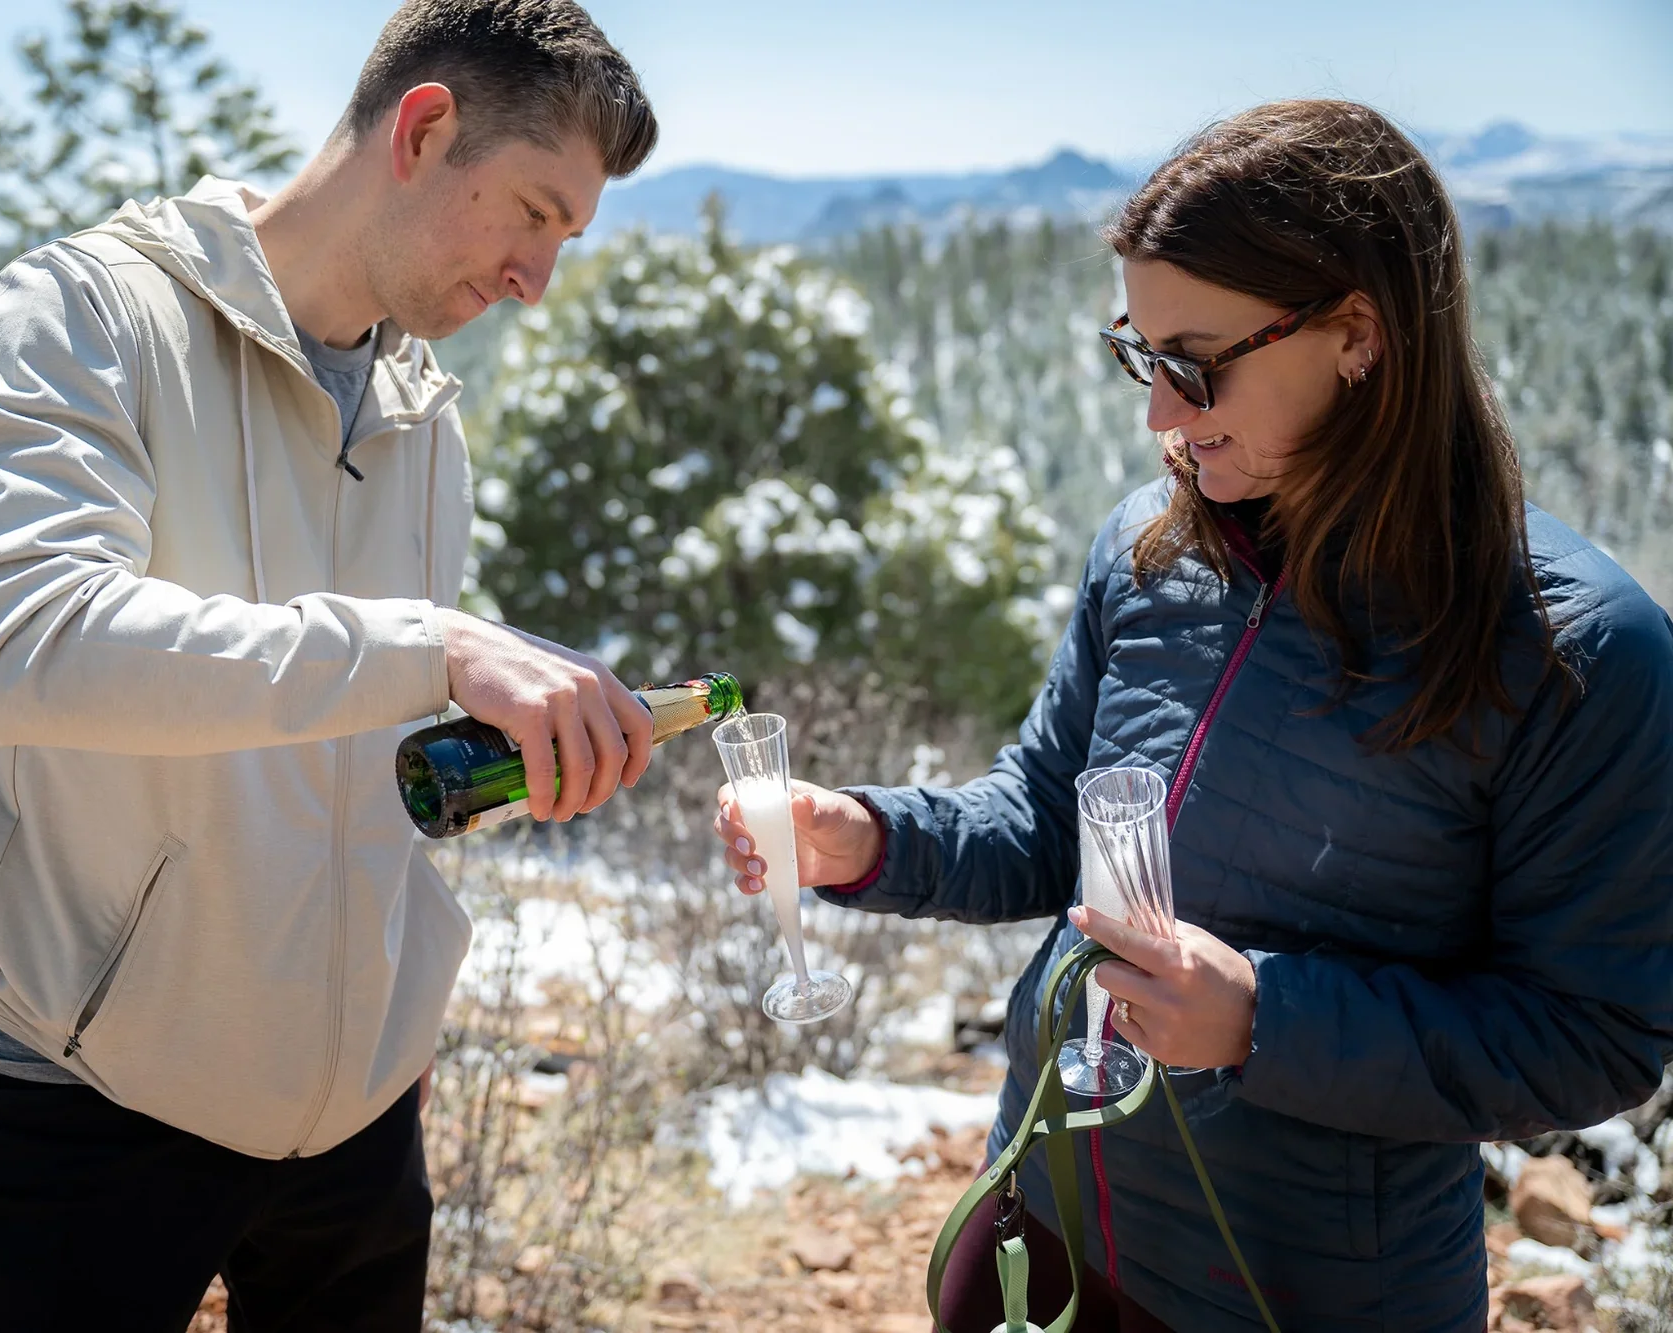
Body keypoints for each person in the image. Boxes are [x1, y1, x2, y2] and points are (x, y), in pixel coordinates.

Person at [715, 99, 1673, 1331]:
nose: (1159, 417)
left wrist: (1263, 1020)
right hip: (1042, 1232)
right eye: (1139, 356)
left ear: (1355, 337)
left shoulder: (1575, 652)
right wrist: (866, 835)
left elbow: (1588, 1037)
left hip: (1301, 1294)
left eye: (1194, 365)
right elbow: (1046, 821)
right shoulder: (1149, 548)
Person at [0, 3, 656, 1328]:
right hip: (81, 1092)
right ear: (425, 130)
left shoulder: (424, 414)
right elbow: (26, 643)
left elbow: (344, 744)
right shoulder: (83, 313)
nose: (539, 276)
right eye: (535, 212)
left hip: (360, 1112)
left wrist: (462, 806)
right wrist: (436, 647)